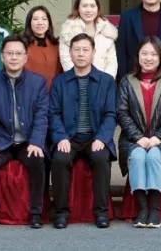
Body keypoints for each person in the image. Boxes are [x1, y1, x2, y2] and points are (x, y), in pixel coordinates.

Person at [0, 34, 49, 229]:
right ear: (2, 57)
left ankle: (35, 213)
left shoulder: (38, 83)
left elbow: (42, 116)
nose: (14, 57)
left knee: (38, 160)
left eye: (18, 53)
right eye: (9, 53)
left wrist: (36, 142)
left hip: (27, 141)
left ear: (25, 57)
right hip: (1, 141)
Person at [49, 33, 117, 229]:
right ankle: (61, 213)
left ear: (93, 52)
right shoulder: (59, 81)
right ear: (70, 53)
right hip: (69, 138)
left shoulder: (106, 81)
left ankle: (101, 213)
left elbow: (111, 114)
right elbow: (53, 114)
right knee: (60, 159)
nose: (81, 54)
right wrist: (61, 137)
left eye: (85, 50)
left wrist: (102, 138)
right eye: (76, 50)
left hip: (95, 137)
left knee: (101, 158)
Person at [117, 37, 161, 229]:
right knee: (138, 157)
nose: (149, 58)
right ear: (138, 56)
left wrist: (157, 138)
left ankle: (155, 209)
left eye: (153, 54)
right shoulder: (127, 81)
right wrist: (138, 137)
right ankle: (142, 209)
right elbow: (122, 113)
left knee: (155, 156)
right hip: (133, 139)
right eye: (144, 53)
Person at [60, 0, 119, 78]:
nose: (88, 10)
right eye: (84, 6)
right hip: (75, 80)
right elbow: (66, 60)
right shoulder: (68, 30)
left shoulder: (107, 30)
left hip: (103, 82)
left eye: (92, 6)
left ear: (98, 9)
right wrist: (78, 80)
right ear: (78, 8)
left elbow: (112, 63)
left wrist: (106, 82)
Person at [22, 6, 63, 90]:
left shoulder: (57, 46)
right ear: (29, 23)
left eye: (44, 19)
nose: (40, 22)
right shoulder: (22, 46)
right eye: (35, 19)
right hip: (30, 93)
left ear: (49, 23)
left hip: (54, 94)